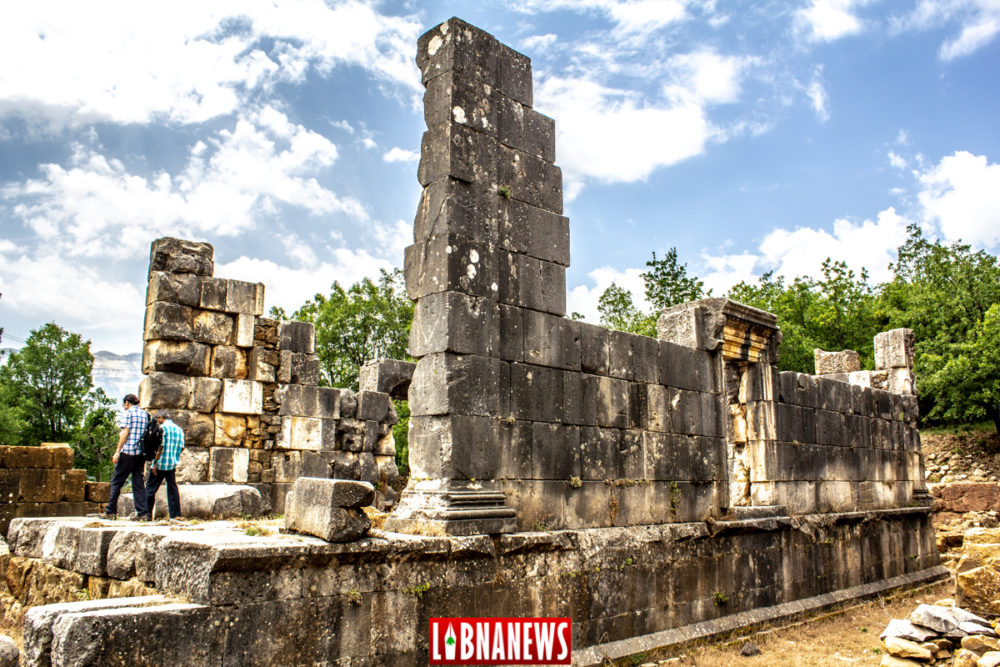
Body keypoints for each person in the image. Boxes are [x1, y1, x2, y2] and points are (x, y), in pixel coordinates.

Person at [102, 393, 151, 520]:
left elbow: (125, 433)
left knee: (117, 481)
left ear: (127, 403)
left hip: (128, 451)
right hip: (140, 453)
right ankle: (142, 512)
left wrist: (117, 451)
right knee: (138, 482)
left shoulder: (128, 413)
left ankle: (110, 511)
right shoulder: (145, 414)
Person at [143, 411, 185, 521]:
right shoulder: (179, 430)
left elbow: (160, 447)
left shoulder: (163, 428)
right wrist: (174, 457)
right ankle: (175, 515)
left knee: (150, 489)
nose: (157, 422)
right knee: (172, 488)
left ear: (161, 418)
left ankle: (147, 514)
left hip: (161, 463)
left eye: (157, 420)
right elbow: (182, 447)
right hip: (171, 463)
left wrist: (154, 463)